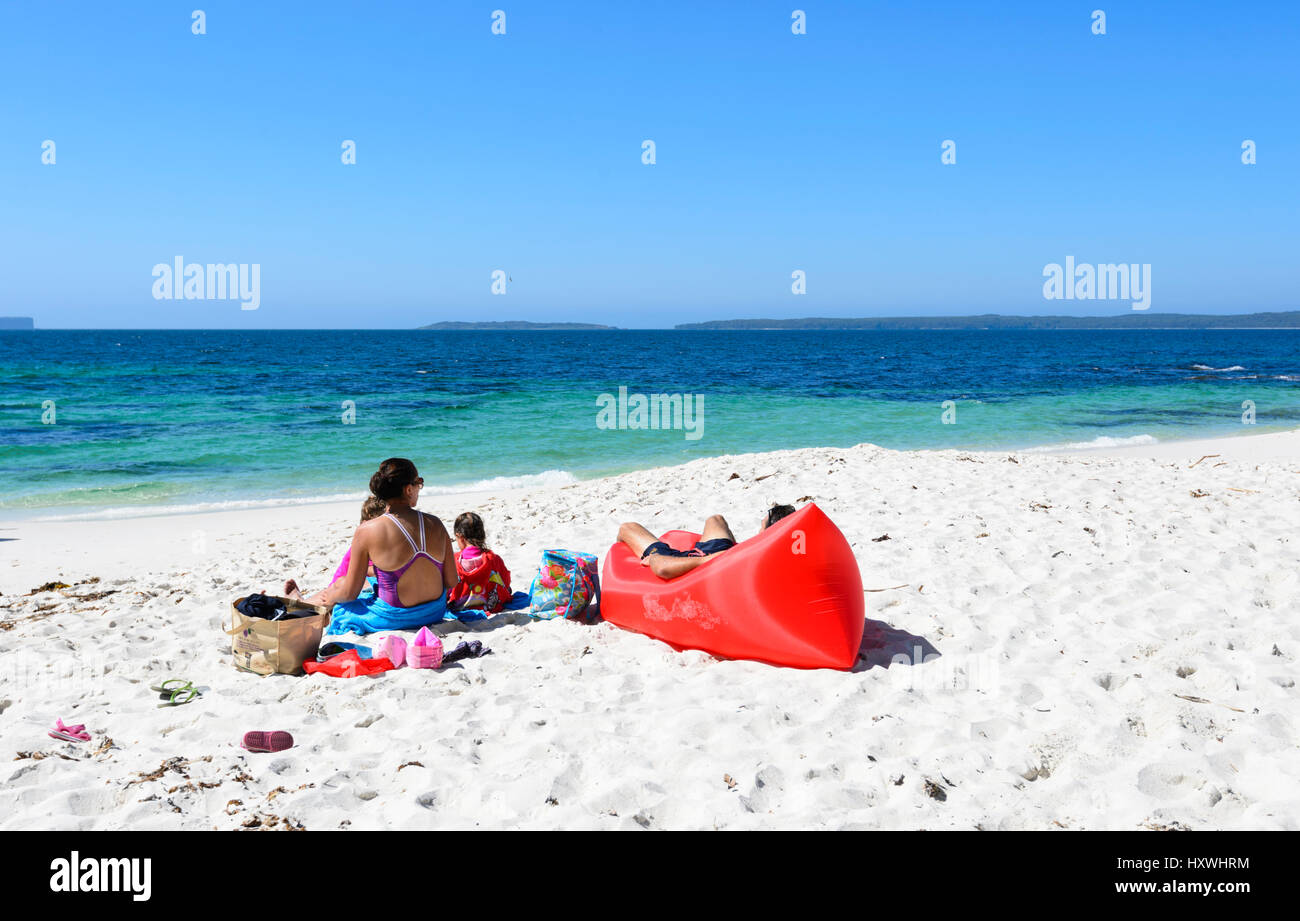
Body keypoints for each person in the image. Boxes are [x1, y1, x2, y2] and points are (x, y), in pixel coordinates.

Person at [312, 458, 457, 612]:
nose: (420, 487)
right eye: (419, 482)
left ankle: (304, 604)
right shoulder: (436, 523)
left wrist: (331, 598)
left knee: (340, 591)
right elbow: (451, 581)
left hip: (394, 615)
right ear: (408, 489)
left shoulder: (367, 530)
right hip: (434, 611)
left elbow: (350, 593)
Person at [616, 503, 797, 580]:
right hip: (722, 552)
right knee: (715, 520)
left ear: (767, 533)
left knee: (627, 528)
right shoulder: (785, 550)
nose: (758, 531)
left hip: (696, 560)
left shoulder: (745, 556)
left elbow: (662, 568)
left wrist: (654, 558)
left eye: (761, 527)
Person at [284, 496, 386, 601]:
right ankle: (301, 602)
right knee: (325, 598)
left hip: (354, 587)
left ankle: (302, 600)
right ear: (365, 524)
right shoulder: (363, 544)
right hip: (341, 588)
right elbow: (370, 571)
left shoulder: (380, 544)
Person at [447, 511, 513, 613]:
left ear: (460, 538)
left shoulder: (453, 561)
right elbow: (506, 582)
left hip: (460, 607)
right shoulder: (494, 559)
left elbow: (448, 587)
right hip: (491, 605)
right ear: (482, 535)